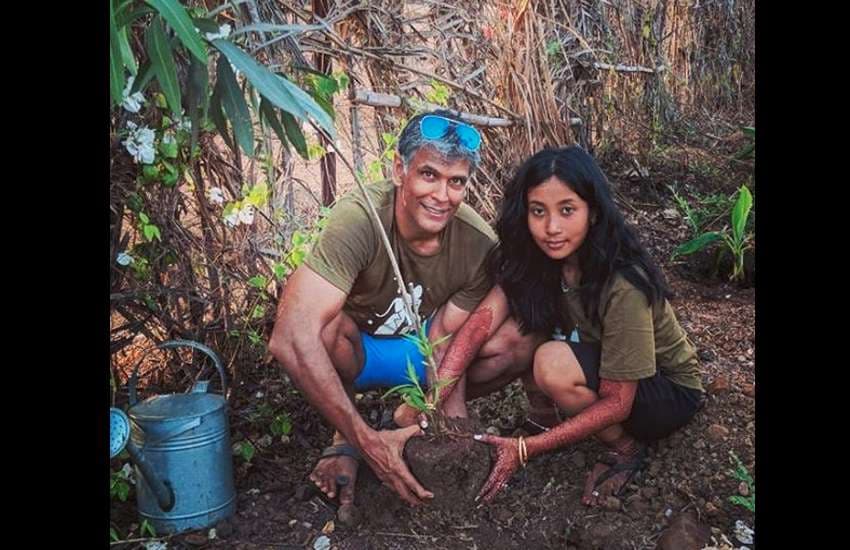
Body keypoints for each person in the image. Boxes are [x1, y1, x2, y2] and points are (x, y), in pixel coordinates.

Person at [268, 110, 541, 507]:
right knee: (319, 330)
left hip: (422, 351)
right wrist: (365, 445)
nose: (442, 196)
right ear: (400, 170)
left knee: (518, 338)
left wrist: (452, 426)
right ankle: (343, 438)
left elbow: (446, 342)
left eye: (456, 182)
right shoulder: (360, 219)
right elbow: (288, 337)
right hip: (357, 351)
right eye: (428, 175)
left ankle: (411, 413)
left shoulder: (477, 244)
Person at [408, 145, 705, 506]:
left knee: (551, 360)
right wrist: (434, 399)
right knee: (519, 330)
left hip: (665, 391)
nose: (551, 228)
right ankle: (543, 416)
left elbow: (618, 404)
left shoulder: (622, 282)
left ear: (592, 212)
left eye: (567, 211)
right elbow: (478, 327)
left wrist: (524, 449)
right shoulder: (537, 258)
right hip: (607, 367)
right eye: (538, 211)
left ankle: (626, 450)